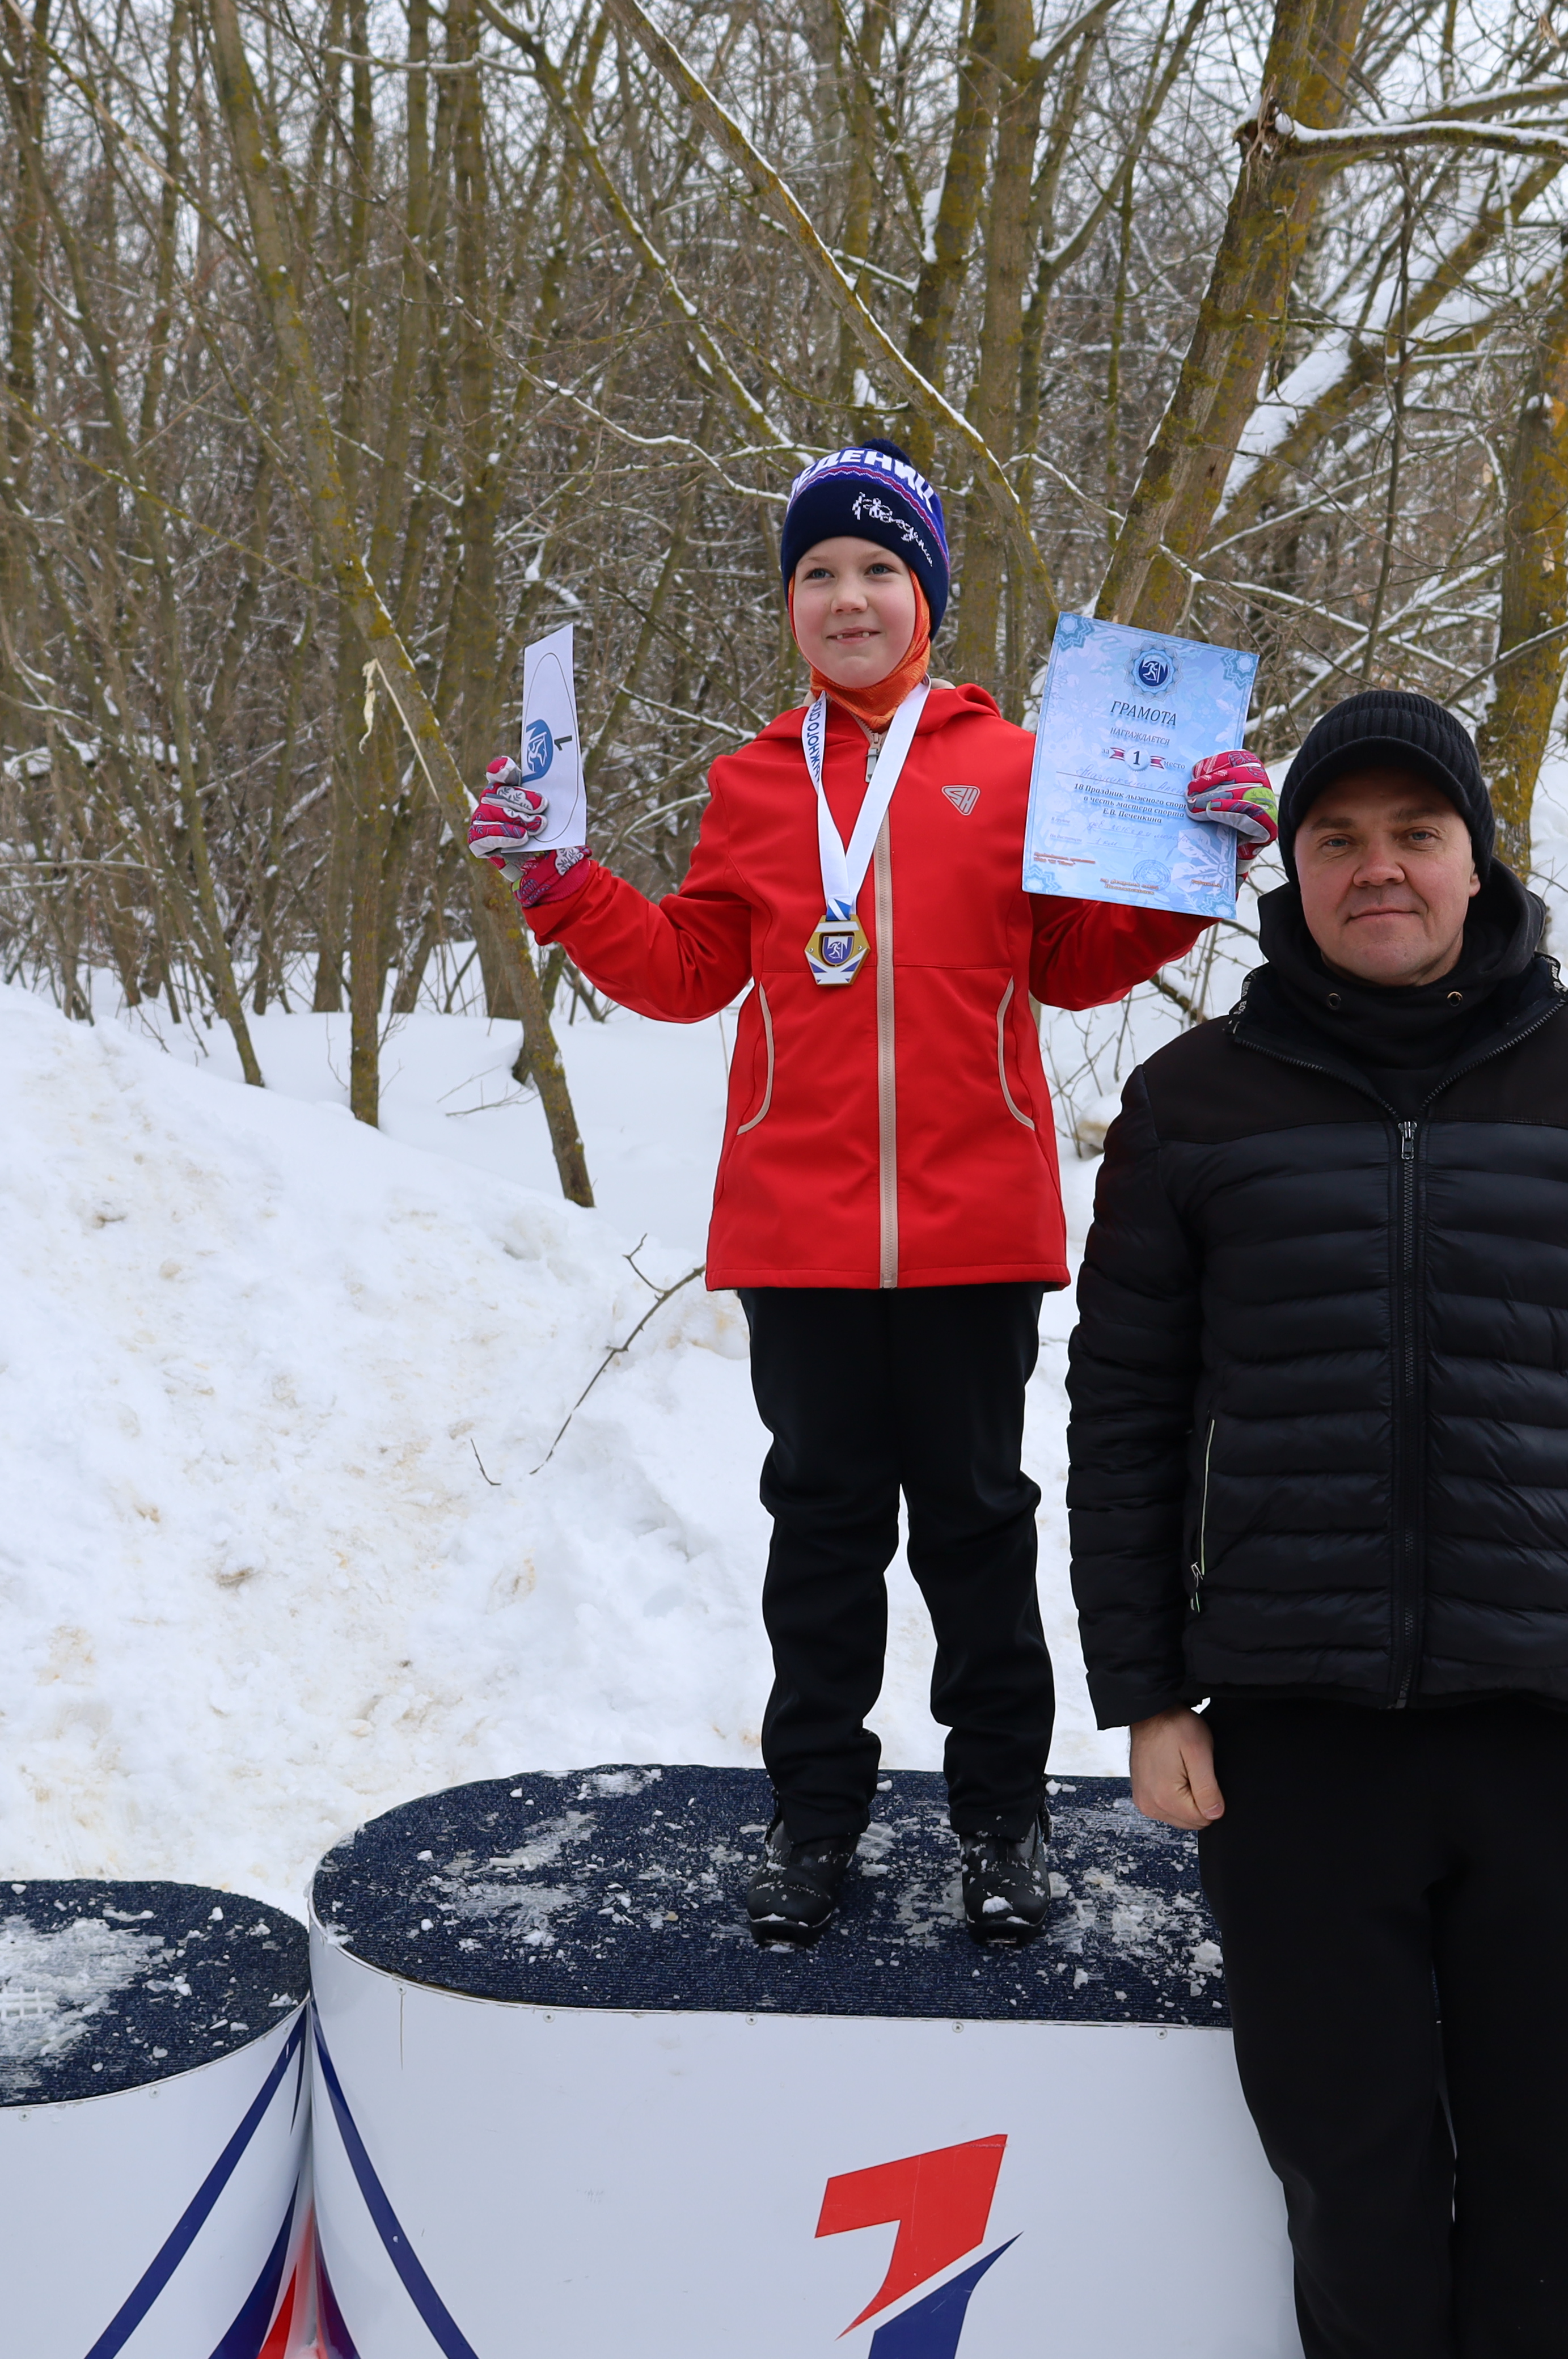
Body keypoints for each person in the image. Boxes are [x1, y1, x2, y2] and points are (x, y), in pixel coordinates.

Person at [466, 441, 1269, 1948]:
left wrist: (1188, 864)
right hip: (803, 1233)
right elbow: (695, 971)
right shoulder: (755, 785)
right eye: (819, 573)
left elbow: (1074, 962)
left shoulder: (1013, 767)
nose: (848, 596)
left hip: (976, 1231)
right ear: (789, 605)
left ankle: (1001, 1820)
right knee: (822, 1534)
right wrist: (566, 887)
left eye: (878, 570)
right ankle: (815, 1817)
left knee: (979, 1529)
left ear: (929, 598)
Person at [1067, 688, 1568, 2357]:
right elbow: (1126, 1418)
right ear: (1292, 868)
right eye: (1338, 840)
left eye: (1415, 835)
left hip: (1546, 1730)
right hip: (1292, 1738)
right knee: (1351, 2179)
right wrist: (1150, 1688)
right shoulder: (1193, 1105)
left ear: (1476, 860)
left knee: (1560, 2187)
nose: (1377, 868)